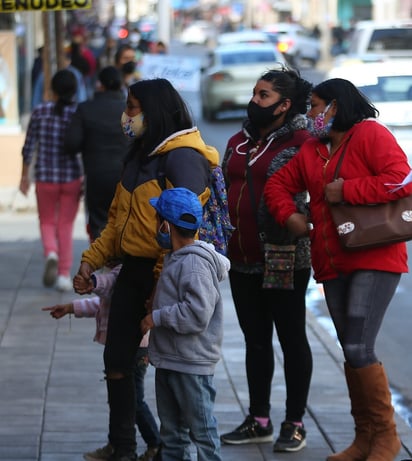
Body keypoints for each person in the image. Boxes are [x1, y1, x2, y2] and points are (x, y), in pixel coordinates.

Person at [264, 77, 411, 461]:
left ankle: (386, 437)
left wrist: (346, 191)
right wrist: (292, 217)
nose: (309, 114)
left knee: (360, 346)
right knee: (350, 351)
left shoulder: (369, 135)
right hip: (331, 260)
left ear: (335, 105)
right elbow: (276, 185)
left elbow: (402, 179)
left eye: (314, 106)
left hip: (374, 255)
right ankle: (364, 437)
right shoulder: (313, 149)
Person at [73, 77, 219, 461]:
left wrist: (160, 285)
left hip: (167, 275)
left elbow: (185, 228)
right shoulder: (140, 155)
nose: (127, 115)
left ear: (153, 111)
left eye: (133, 107)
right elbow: (117, 223)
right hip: (134, 273)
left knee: (179, 375)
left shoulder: (184, 158)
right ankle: (123, 447)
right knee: (117, 362)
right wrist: (91, 261)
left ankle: (178, 448)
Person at [220, 68, 313, 452]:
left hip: (282, 256)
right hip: (239, 258)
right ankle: (259, 419)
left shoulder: (303, 142)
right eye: (255, 94)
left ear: (284, 105)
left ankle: (294, 422)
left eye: (263, 96)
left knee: (291, 339)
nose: (254, 101)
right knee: (255, 341)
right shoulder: (238, 141)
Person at [141, 187, 230, 461]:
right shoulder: (175, 259)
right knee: (172, 434)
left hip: (191, 365)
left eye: (158, 220)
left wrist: (156, 317)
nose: (156, 227)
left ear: (166, 224)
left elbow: (196, 314)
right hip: (170, 360)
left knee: (202, 432)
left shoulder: (194, 264)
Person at [42, 264, 161, 461]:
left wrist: (91, 281)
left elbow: (106, 284)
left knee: (133, 400)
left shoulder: (125, 270)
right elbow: (101, 303)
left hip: (135, 348)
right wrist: (70, 308)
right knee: (122, 399)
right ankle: (117, 444)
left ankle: (154, 443)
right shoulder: (121, 272)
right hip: (128, 346)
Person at [19, 69, 82, 292]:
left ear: (51, 89)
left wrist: (24, 176)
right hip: (72, 177)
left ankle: (51, 252)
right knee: (65, 225)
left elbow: (28, 148)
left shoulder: (39, 112)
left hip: (45, 177)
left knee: (46, 220)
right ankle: (64, 275)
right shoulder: (77, 113)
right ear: (74, 90)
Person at [64, 66, 129, 242]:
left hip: (96, 176)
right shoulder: (129, 110)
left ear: (99, 85)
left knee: (98, 224)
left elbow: (71, 144)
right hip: (126, 176)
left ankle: (99, 266)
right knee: (123, 222)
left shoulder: (85, 109)